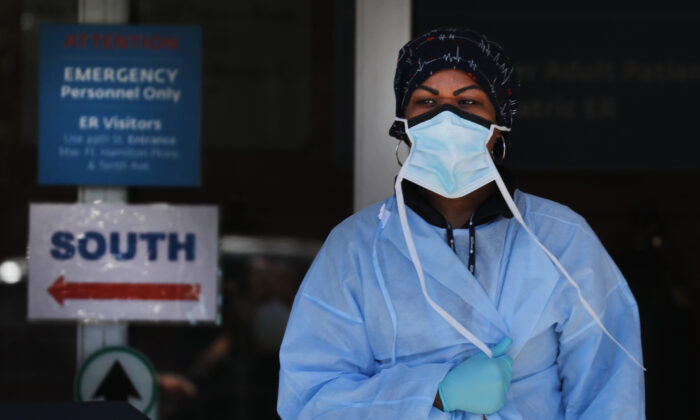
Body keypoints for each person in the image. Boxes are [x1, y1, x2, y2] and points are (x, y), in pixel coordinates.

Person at [277, 27, 645, 419]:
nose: (446, 119)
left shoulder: (561, 239)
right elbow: (308, 401)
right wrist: (434, 395)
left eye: (468, 102)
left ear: (498, 124)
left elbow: (610, 395)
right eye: (427, 102)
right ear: (404, 121)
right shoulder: (355, 248)